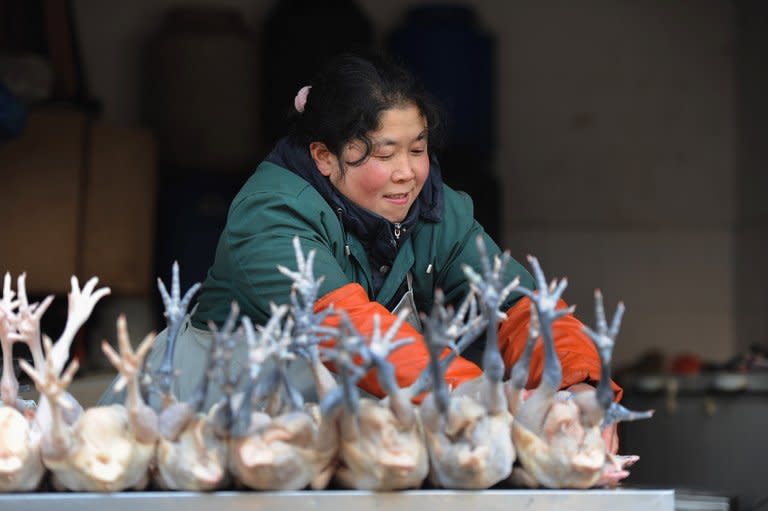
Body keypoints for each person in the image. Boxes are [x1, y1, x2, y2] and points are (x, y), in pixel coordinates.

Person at [103, 53, 620, 449]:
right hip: (201, 418)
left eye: (417, 149)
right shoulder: (271, 214)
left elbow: (520, 306)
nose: (406, 173)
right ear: (325, 157)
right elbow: (350, 331)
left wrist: (578, 386)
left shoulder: (439, 211)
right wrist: (487, 401)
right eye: (382, 153)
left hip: (325, 428)